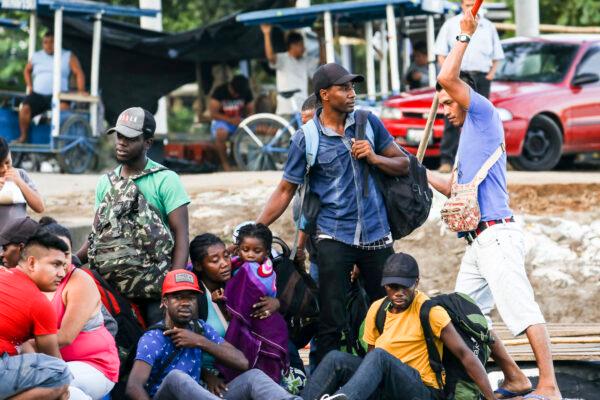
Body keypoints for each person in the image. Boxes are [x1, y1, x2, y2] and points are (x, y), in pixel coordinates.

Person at [427, 10, 561, 400]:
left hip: (497, 235)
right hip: (477, 243)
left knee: (520, 310)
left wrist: (463, 36)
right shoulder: (468, 139)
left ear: (464, 97)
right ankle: (516, 377)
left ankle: (549, 387)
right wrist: (408, 169)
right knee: (464, 316)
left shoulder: (483, 114)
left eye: (448, 104)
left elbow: (446, 78)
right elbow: (452, 186)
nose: (446, 110)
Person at [257, 63, 408, 365]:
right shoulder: (307, 137)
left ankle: (387, 376)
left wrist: (375, 157)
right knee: (330, 320)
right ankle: (323, 385)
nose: (352, 93)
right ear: (324, 95)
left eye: (353, 87)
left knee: (390, 312)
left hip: (377, 237)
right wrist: (256, 228)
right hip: (332, 238)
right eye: (344, 88)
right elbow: (286, 190)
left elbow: (403, 163)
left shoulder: (368, 123)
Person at [301, 253, 495, 400]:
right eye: (392, 287)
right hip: (387, 387)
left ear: (416, 283)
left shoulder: (430, 312)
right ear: (385, 286)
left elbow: (465, 355)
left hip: (422, 390)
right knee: (336, 358)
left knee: (381, 356)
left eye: (405, 287)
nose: (398, 293)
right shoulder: (378, 309)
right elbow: (369, 360)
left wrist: (490, 399)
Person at [77, 107, 190, 324]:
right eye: (119, 136)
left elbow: (181, 235)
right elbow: (96, 235)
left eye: (130, 138)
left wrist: (173, 289)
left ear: (148, 142)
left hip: (154, 285)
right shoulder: (105, 183)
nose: (121, 142)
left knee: (158, 340)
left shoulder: (166, 180)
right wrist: (72, 260)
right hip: (111, 283)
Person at [126, 269, 301, 400]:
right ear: (165, 302)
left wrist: (200, 341)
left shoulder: (200, 328)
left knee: (253, 377)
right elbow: (133, 387)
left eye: (191, 297)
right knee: (176, 377)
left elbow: (242, 362)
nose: (186, 303)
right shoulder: (153, 338)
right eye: (178, 297)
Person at [40, 217, 119, 400]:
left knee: (52, 386)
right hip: (55, 363)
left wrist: (25, 346)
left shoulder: (79, 281)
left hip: (95, 365)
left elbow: (65, 337)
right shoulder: (35, 281)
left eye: (66, 254)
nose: (63, 261)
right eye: (54, 255)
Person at [0, 230, 72, 400]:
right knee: (61, 376)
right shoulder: (39, 303)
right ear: (31, 263)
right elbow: (53, 360)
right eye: (55, 265)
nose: (62, 273)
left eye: (63, 266)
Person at [434, 0, 504, 172]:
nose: (471, 8)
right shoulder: (451, 25)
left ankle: (482, 158)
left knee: (478, 120)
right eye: (467, 4)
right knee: (452, 117)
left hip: (480, 77)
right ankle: (447, 159)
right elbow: (441, 53)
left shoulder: (488, 27)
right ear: (461, 5)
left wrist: (490, 75)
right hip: (457, 77)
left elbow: (497, 54)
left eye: (474, 4)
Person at [219, 223, 288, 383]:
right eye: (245, 249)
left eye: (257, 251)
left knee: (264, 370)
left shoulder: (253, 271)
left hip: (264, 325)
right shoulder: (236, 264)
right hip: (258, 324)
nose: (250, 255)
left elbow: (242, 300)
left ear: (266, 251)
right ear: (238, 249)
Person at [18, 30, 86, 143]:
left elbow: (78, 73)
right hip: (38, 95)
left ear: (58, 42)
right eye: (46, 42)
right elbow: (27, 71)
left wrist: (81, 91)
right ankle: (23, 137)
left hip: (60, 94)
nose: (49, 45)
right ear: (42, 43)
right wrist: (29, 85)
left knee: (64, 111)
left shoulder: (67, 55)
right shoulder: (36, 56)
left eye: (52, 42)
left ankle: (60, 141)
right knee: (24, 109)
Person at [261, 24, 319, 117]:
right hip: (285, 108)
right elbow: (270, 57)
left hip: (303, 107)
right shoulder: (282, 58)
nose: (304, 48)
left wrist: (321, 39)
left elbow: (322, 62)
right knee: (287, 130)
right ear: (292, 46)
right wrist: (267, 34)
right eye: (301, 45)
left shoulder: (305, 60)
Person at [209, 75, 254, 171]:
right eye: (235, 93)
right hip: (222, 121)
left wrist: (244, 119)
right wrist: (230, 120)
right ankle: (226, 164)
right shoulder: (219, 91)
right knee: (221, 134)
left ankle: (238, 161)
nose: (237, 96)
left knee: (257, 130)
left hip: (240, 121)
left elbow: (250, 111)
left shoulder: (246, 91)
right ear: (231, 87)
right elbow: (213, 114)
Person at [0, 137, 45, 231]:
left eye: (7, 162)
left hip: (19, 240)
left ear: (10, 154)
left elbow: (40, 207)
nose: (4, 168)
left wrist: (20, 183)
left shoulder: (20, 175)